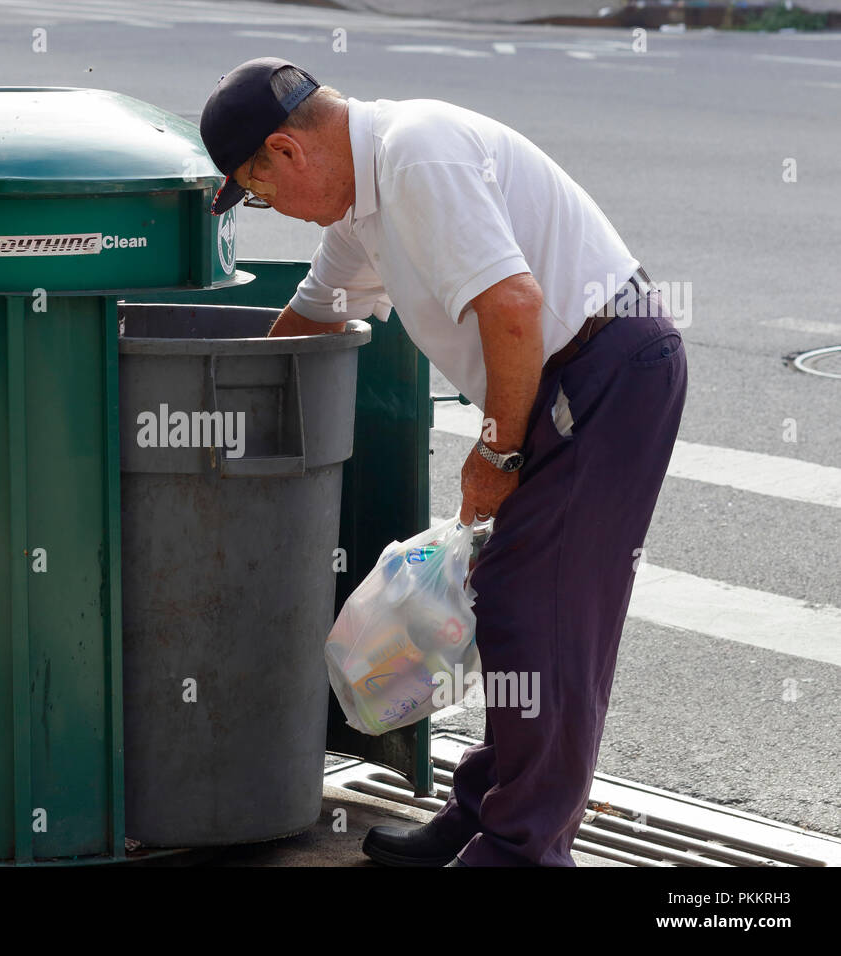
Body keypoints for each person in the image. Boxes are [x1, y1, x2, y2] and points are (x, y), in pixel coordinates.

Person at [199, 57, 687, 867]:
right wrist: (211, 423)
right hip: (568, 373)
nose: (272, 209)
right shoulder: (362, 205)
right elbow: (315, 320)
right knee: (510, 601)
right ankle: (488, 812)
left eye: (259, 190)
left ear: (285, 152)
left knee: (548, 616)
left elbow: (514, 305)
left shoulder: (416, 154)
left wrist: (495, 450)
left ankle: (523, 848)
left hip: (607, 367)